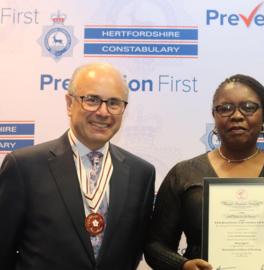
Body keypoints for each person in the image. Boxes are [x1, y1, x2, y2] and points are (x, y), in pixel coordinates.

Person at [145, 74, 264, 270]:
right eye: (225, 108)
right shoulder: (184, 174)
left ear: (263, 115)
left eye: (248, 107)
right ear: (214, 116)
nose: (237, 115)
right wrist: (182, 265)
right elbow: (155, 246)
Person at [0, 62, 155, 270]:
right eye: (91, 100)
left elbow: (133, 250)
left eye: (114, 103)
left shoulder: (141, 174)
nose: (103, 112)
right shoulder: (24, 167)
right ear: (69, 103)